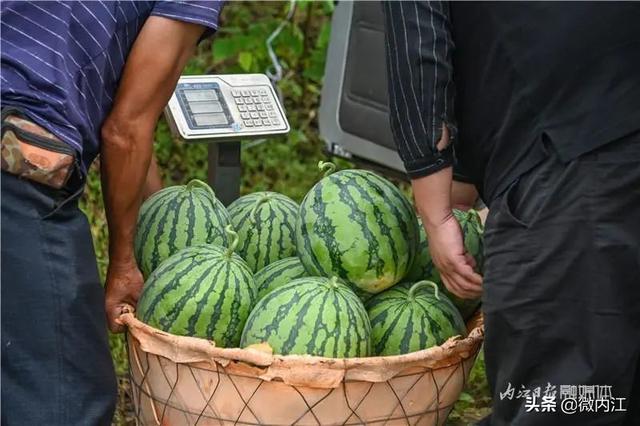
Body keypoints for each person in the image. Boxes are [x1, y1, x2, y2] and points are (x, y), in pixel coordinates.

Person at [383, 2, 640, 425]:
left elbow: (419, 48)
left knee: (563, 398)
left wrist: (437, 216)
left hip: (572, 150)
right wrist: (464, 187)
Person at [1, 1, 224, 424]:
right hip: (13, 172)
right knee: (68, 399)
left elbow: (129, 133)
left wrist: (164, 246)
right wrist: (124, 262)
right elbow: (125, 130)